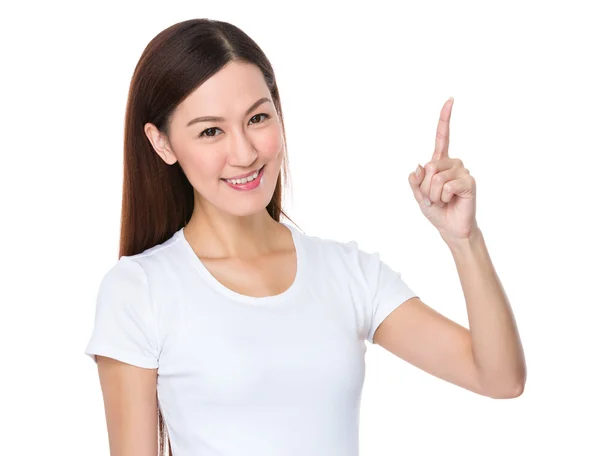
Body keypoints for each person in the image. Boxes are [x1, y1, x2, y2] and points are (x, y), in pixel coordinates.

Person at [84, 18, 526, 456]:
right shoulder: (140, 291)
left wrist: (464, 241)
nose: (244, 153)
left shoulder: (348, 273)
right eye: (210, 131)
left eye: (257, 118)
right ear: (162, 144)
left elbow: (500, 378)